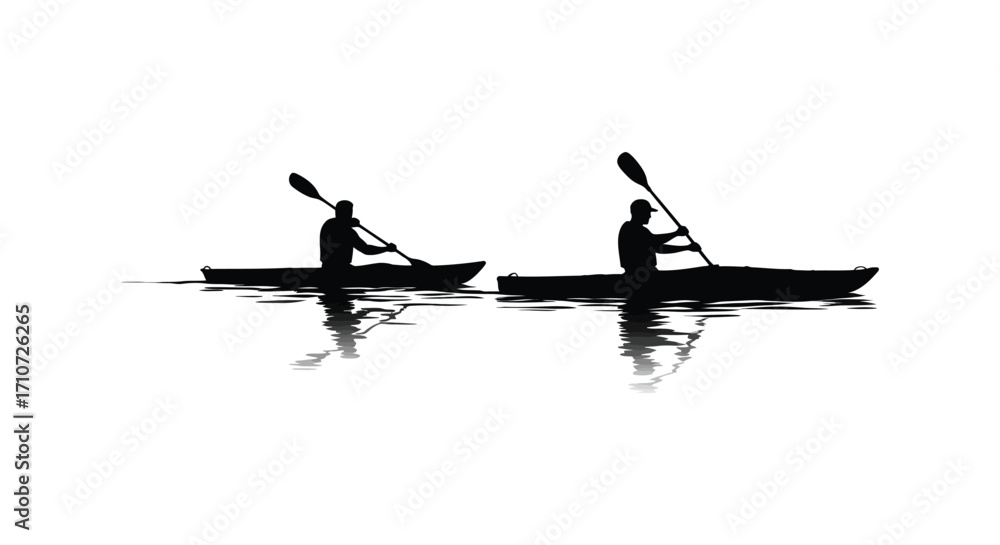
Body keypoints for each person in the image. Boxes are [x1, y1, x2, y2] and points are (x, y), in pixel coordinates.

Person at [618, 199, 700, 274]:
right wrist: (676, 233)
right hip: (638, 273)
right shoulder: (629, 228)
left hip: (646, 272)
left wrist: (687, 247)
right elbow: (654, 241)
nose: (649, 216)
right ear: (640, 212)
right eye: (647, 212)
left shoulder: (641, 230)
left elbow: (659, 248)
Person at [319, 200, 396, 268]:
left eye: (350, 211)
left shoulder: (349, 232)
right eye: (346, 211)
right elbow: (339, 225)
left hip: (344, 267)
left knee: (381, 266)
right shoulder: (330, 225)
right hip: (333, 268)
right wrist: (386, 249)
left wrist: (386, 249)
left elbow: (365, 249)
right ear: (337, 212)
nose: (349, 214)